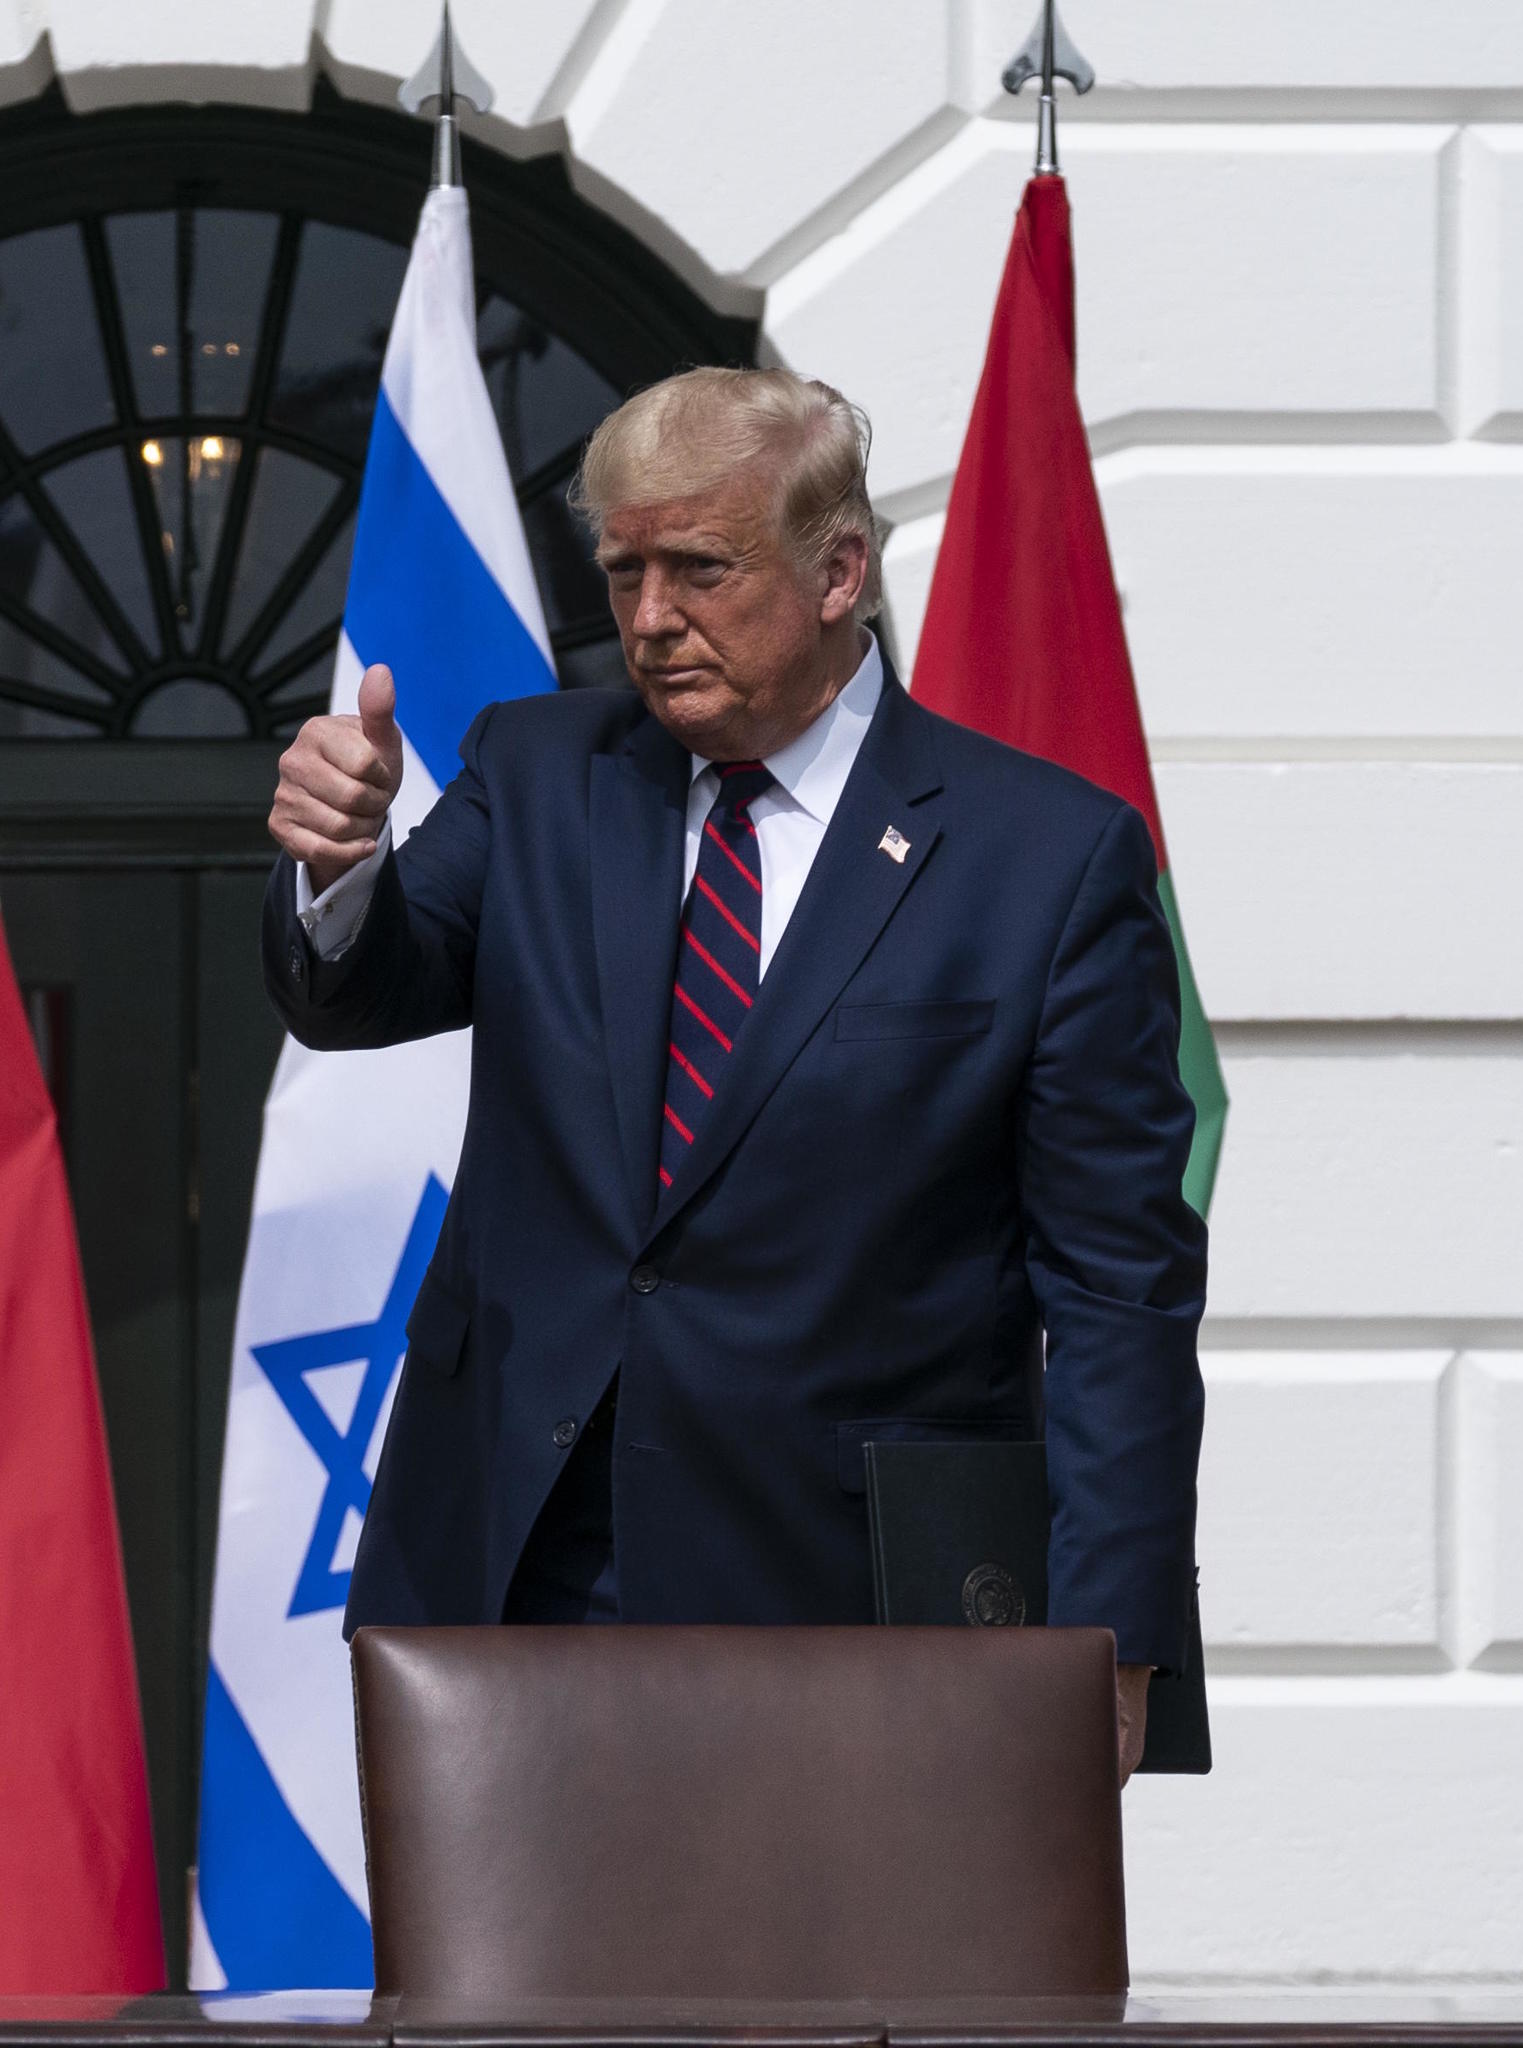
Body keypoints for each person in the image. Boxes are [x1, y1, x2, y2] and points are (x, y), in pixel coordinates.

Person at [264, 367, 1202, 1775]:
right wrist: (336, 873)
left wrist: (1113, 1638)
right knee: (513, 2002)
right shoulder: (539, 772)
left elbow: (1119, 1294)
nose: (649, 620)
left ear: (839, 572)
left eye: (700, 569)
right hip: (518, 1584)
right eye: (624, 570)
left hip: (859, 1608)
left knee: (838, 2004)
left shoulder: (1046, 860)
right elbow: (368, 989)